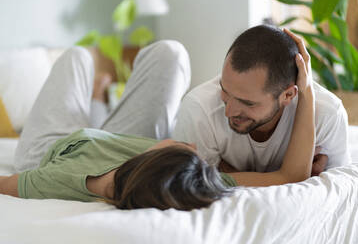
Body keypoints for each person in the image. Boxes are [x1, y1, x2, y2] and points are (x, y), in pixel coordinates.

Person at [0, 33, 315, 211]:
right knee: (171, 52)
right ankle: (98, 100)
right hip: (107, 140)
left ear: (156, 157)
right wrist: (306, 90)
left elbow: (7, 186)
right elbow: (291, 175)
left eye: (182, 148)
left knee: (77, 58)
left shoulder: (56, 179)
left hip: (51, 152)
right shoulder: (185, 179)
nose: (193, 145)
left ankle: (96, 99)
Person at [172, 25, 350, 175]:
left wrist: (225, 171)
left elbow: (340, 197)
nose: (229, 111)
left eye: (248, 103)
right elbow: (194, 188)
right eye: (225, 90)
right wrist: (300, 181)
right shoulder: (199, 108)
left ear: (288, 95)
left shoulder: (328, 115)